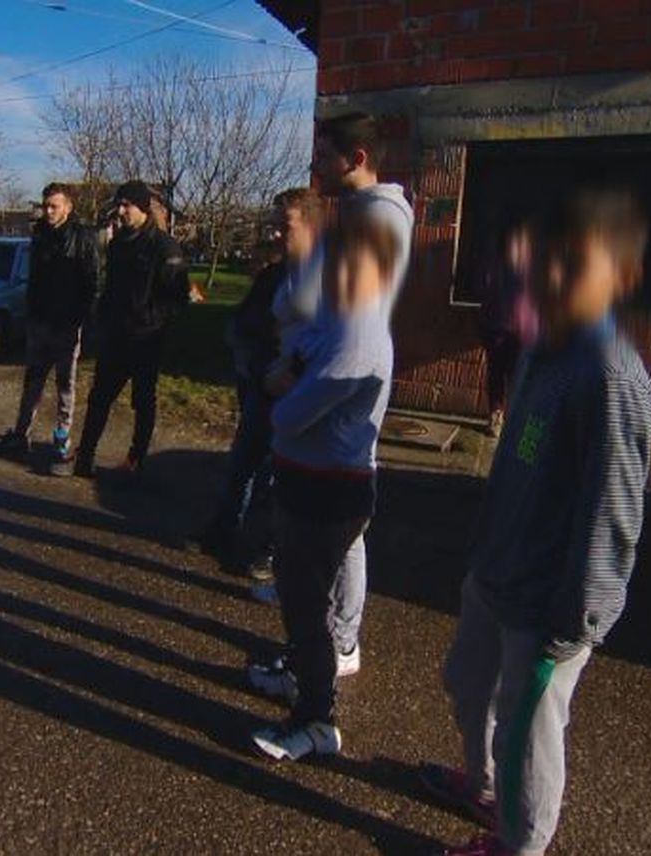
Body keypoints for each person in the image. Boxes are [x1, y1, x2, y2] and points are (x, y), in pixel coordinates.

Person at [422, 187, 651, 856]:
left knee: (529, 737)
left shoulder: (611, 376)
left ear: (623, 277)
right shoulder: (540, 350)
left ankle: (519, 843)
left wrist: (577, 623)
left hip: (548, 611)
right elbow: (518, 461)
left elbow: (613, 512)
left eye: (573, 264)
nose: (550, 277)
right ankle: (483, 786)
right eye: (544, 261)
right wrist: (482, 553)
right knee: (467, 685)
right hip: (496, 574)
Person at [249, 112, 414, 691]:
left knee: (341, 536)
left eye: (324, 155)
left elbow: (354, 332)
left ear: (357, 159)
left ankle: (337, 644)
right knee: (322, 546)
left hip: (331, 407)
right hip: (315, 394)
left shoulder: (378, 221)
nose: (315, 165)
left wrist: (293, 382)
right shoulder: (358, 215)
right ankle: (320, 639)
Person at [249, 213, 399, 763]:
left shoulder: (359, 337)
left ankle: (316, 719)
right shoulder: (335, 319)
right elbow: (285, 365)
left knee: (310, 609)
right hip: (303, 479)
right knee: (296, 599)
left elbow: (288, 411)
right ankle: (301, 682)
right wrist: (286, 378)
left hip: (329, 490)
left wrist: (286, 385)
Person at [194, 188, 321, 576]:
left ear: (312, 226)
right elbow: (249, 318)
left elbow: (330, 338)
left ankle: (270, 547)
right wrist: (248, 351)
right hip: (262, 384)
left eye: (285, 226)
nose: (276, 234)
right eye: (273, 226)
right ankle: (224, 530)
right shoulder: (275, 274)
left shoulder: (328, 277)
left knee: (279, 475)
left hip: (298, 393)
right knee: (242, 463)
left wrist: (294, 371)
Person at [72, 180, 190, 478]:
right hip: (115, 336)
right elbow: (112, 287)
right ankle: (85, 455)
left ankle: (135, 460)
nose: (121, 211)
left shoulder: (164, 246)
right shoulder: (118, 245)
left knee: (143, 402)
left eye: (127, 206)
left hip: (146, 339)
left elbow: (178, 297)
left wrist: (151, 318)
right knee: (99, 398)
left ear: (143, 208)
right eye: (119, 205)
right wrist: (102, 316)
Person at [0, 183, 100, 474]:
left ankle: (61, 440)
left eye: (54, 206)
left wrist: (83, 319)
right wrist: (32, 312)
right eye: (45, 206)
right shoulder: (40, 235)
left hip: (67, 324)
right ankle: (22, 434)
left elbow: (92, 281)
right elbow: (35, 278)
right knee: (33, 380)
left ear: (68, 207)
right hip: (40, 322)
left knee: (65, 384)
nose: (48, 211)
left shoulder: (82, 237)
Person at [478, 221, 539, 436]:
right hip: (498, 324)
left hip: (518, 329)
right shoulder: (497, 259)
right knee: (500, 372)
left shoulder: (533, 262)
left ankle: (509, 420)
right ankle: (499, 415)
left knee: (514, 376)